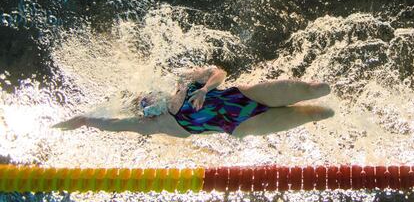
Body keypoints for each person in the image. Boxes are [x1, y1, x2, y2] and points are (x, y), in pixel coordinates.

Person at [53, 65, 334, 138]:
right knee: (319, 114)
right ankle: (347, 113)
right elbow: (117, 126)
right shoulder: (159, 125)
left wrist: (205, 89)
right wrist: (85, 120)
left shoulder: (184, 82)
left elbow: (218, 72)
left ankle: (348, 89)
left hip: (246, 95)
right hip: (244, 126)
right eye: (146, 107)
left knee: (317, 88)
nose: (151, 104)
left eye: (149, 99)